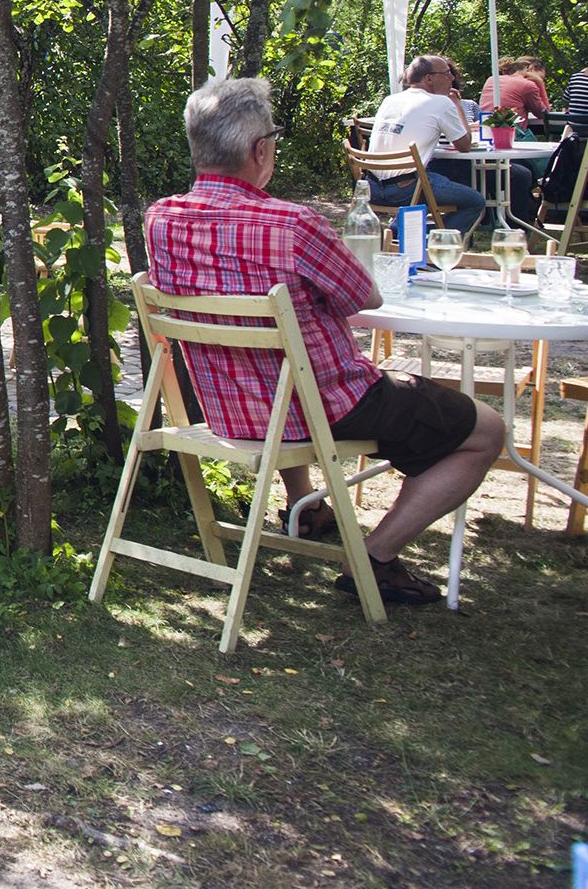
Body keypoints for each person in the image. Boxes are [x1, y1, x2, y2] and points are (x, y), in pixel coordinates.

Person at [148, 77, 503, 606]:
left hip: (232, 407)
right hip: (326, 406)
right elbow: (363, 296)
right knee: (485, 430)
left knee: (283, 371)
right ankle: (376, 558)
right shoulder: (294, 225)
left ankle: (307, 506)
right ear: (260, 150)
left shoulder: (162, 218)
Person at [366, 54, 488, 238]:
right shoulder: (441, 102)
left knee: (435, 176)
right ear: (428, 78)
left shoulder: (390, 100)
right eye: (446, 73)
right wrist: (457, 105)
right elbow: (464, 144)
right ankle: (429, 239)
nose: (452, 78)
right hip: (406, 190)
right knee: (475, 201)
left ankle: (405, 233)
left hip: (371, 188)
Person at [483, 56, 553, 130]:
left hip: (485, 131)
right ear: (531, 68)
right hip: (512, 134)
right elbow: (543, 114)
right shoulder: (527, 85)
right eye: (542, 76)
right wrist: (540, 83)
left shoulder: (491, 80)